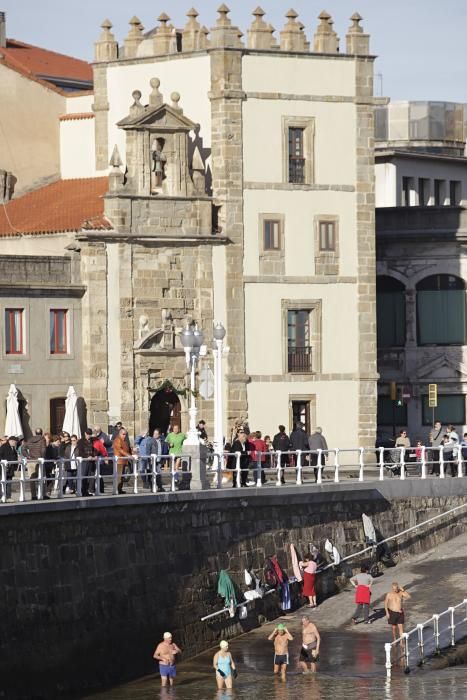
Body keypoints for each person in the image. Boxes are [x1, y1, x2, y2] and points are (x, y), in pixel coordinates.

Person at [23, 428, 46, 500]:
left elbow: (22, 448)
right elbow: (43, 449)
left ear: (35, 433)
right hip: (38, 461)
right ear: (41, 433)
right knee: (42, 477)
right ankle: (43, 494)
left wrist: (27, 456)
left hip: (30, 461)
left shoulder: (30, 439)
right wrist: (42, 457)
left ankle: (33, 496)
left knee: (32, 479)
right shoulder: (42, 439)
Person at [75, 428, 97, 497]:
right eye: (88, 434)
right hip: (84, 461)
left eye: (90, 434)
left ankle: (86, 491)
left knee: (89, 476)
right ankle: (82, 491)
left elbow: (94, 450)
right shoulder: (80, 441)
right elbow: (80, 452)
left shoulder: (92, 441)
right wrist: (87, 456)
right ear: (85, 434)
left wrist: (94, 455)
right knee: (83, 476)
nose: (89, 436)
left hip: (90, 461)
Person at [112, 427, 132, 495]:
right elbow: (120, 449)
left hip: (123, 461)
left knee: (122, 476)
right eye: (123, 434)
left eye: (125, 434)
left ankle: (120, 489)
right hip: (119, 461)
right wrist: (128, 455)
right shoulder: (117, 440)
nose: (125, 436)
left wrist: (133, 454)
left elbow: (128, 449)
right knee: (118, 476)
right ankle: (116, 490)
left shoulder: (125, 441)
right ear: (120, 434)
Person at [0, 435, 18, 501]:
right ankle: (2, 496)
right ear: (11, 441)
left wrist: (15, 466)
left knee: (9, 483)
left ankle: (8, 497)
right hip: (3, 468)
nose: (16, 443)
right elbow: (0, 455)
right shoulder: (4, 447)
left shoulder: (13, 447)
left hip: (10, 468)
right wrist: (3, 462)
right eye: (15, 442)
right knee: (2, 483)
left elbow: (15, 457)